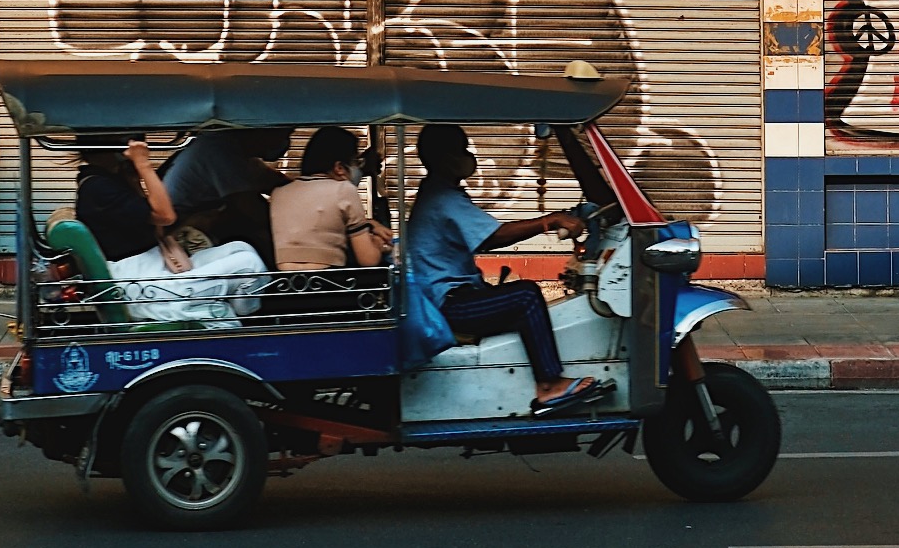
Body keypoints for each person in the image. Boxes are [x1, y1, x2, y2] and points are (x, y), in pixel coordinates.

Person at [407, 122, 611, 415]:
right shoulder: (443, 199)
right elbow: (493, 236)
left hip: (450, 298)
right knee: (526, 296)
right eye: (461, 150)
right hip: (449, 306)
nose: (469, 157)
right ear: (443, 157)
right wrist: (548, 221)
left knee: (519, 297)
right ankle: (549, 385)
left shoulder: (440, 193)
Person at [269, 125, 392, 274]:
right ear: (339, 168)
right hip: (330, 286)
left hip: (285, 288)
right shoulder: (344, 190)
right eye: (355, 162)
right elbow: (368, 260)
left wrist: (369, 223)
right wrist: (377, 243)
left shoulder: (279, 193)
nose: (358, 169)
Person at [162, 125, 292, 264]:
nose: (284, 142)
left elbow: (274, 182)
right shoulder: (218, 149)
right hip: (182, 231)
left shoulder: (236, 152)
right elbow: (249, 205)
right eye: (283, 134)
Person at [73, 136, 190, 271]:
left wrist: (134, 182)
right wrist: (143, 164)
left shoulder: (109, 181)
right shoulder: (98, 187)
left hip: (150, 261)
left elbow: (157, 229)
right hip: (135, 270)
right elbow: (166, 217)